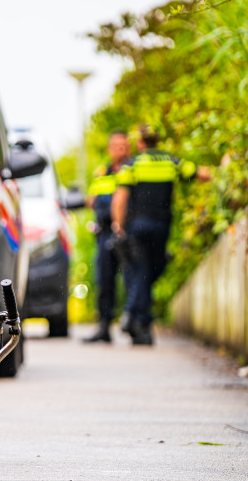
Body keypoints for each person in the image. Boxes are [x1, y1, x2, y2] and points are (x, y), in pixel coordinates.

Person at [110, 125, 208, 346]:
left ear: (140, 143)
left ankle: (134, 315)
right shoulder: (171, 162)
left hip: (137, 226)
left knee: (141, 271)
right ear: (157, 140)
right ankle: (139, 321)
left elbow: (120, 198)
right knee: (152, 270)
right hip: (162, 226)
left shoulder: (131, 165)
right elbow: (200, 173)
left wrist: (118, 226)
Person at [82, 130, 131, 343]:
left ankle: (134, 324)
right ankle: (104, 327)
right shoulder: (102, 173)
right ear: (110, 149)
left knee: (132, 280)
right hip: (104, 234)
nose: (121, 149)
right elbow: (93, 199)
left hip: (128, 233)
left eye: (125, 146)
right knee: (104, 281)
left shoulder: (132, 170)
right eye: (117, 145)